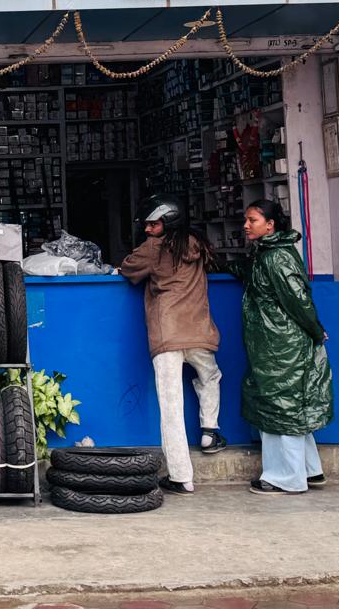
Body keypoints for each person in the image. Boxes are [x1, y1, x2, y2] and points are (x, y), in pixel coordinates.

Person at [119, 195, 226, 495]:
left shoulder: (154, 248)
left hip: (167, 333)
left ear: (168, 222)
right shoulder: (197, 243)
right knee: (211, 377)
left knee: (171, 405)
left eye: (153, 224)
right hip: (199, 329)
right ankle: (210, 430)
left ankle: (181, 477)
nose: (147, 230)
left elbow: (128, 268)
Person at [232, 198, 333, 495]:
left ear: (270, 225)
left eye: (252, 220)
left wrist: (316, 330)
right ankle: (310, 470)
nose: (246, 225)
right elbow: (253, 275)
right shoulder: (267, 253)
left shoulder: (276, 257)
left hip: (282, 345)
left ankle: (285, 478)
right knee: (289, 406)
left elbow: (298, 299)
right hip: (276, 344)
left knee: (279, 407)